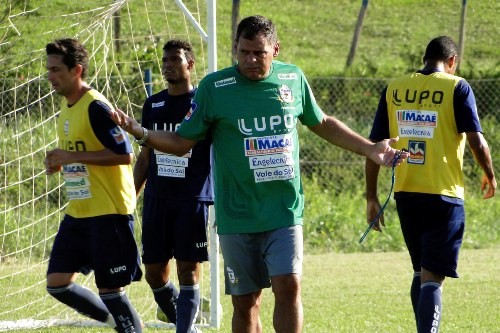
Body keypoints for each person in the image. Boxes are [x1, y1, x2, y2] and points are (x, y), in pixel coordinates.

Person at [112, 15, 408, 333]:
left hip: (284, 210)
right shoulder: (214, 88)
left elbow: (321, 123)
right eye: (244, 52)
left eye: (259, 53)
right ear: (235, 50)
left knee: (289, 287)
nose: (251, 60)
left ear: (275, 49)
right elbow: (182, 141)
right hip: (236, 216)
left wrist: (370, 148)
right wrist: (141, 132)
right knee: (246, 302)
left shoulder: (293, 79)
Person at [365, 35, 496, 333]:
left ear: (425, 59)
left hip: (406, 193)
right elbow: (476, 140)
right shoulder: (457, 86)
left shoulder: (395, 88)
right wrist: (489, 173)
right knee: (433, 277)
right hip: (444, 195)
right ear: (452, 62)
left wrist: (371, 197)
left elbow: (374, 146)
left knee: (420, 272)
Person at [44, 38, 143, 333]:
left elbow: (125, 153)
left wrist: (72, 155)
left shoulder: (96, 106)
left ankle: (126, 325)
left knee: (111, 291)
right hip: (80, 211)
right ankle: (117, 323)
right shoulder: (66, 105)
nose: (50, 75)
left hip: (109, 211)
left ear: (77, 70)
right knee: (58, 284)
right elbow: (82, 153)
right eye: (48, 69)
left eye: (56, 69)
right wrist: (61, 161)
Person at [134, 39, 213, 333]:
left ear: (189, 64)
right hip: (157, 198)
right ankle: (187, 323)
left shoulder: (202, 104)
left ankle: (185, 330)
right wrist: (130, 195)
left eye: (174, 60)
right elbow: (145, 157)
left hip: (191, 199)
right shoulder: (153, 105)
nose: (167, 65)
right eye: (164, 60)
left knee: (188, 270)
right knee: (154, 272)